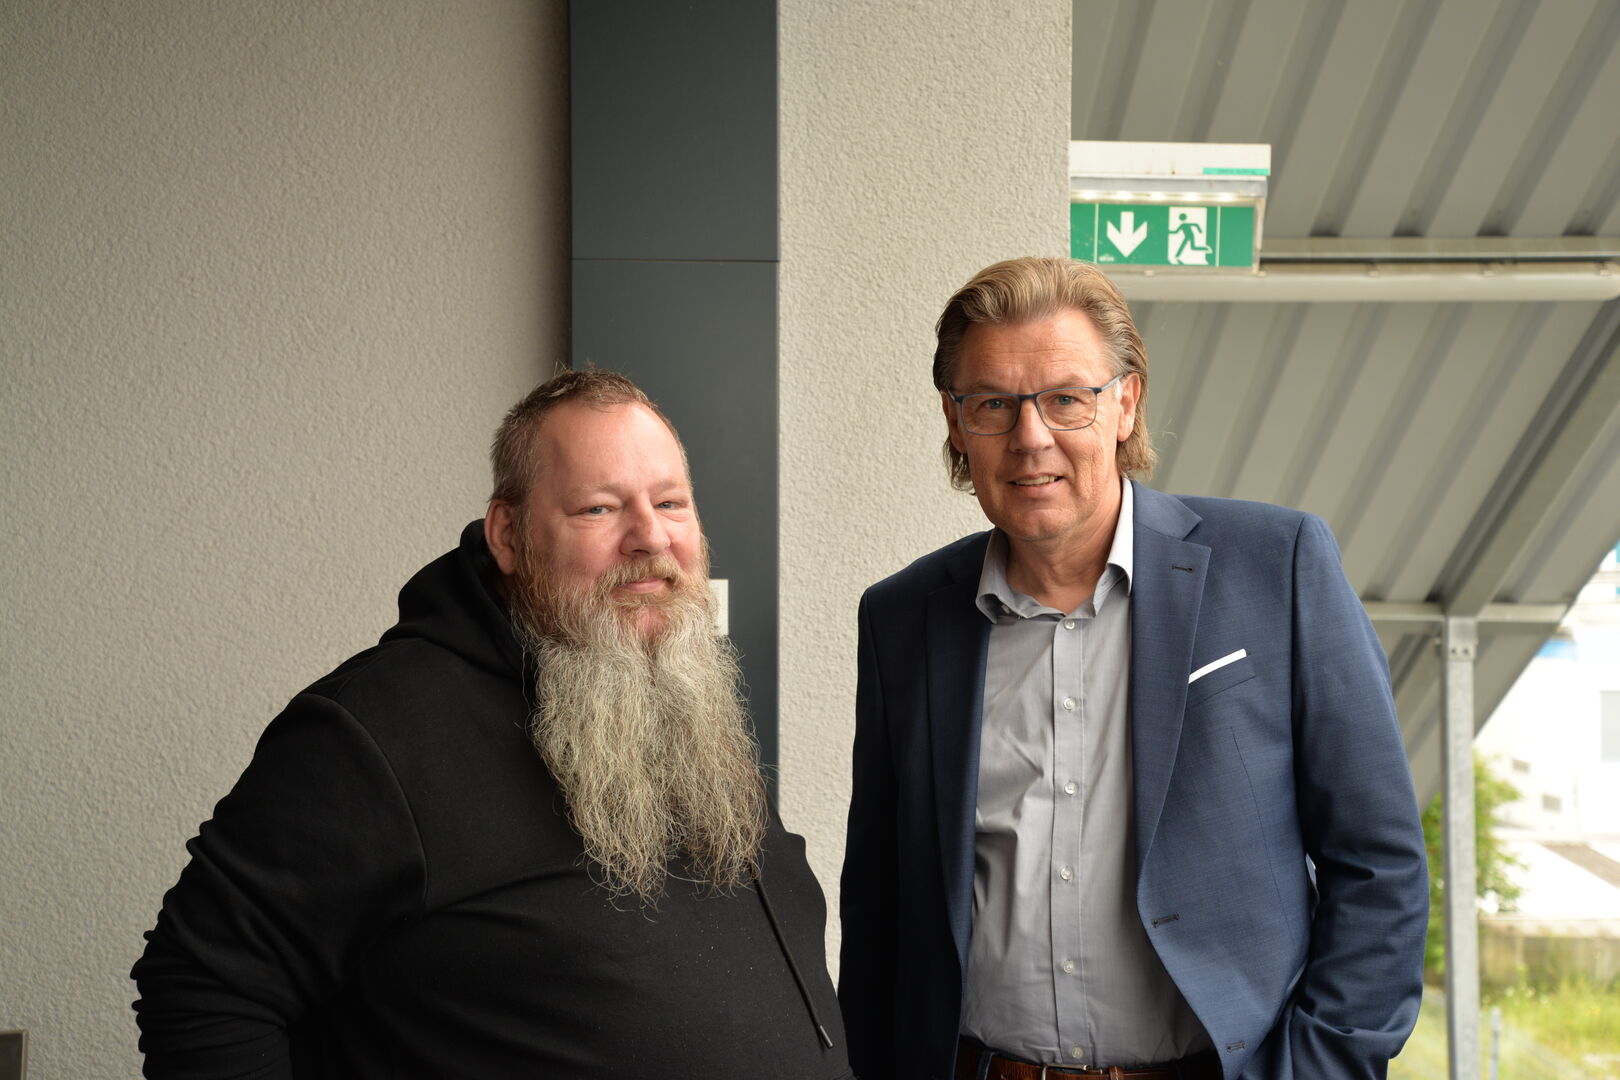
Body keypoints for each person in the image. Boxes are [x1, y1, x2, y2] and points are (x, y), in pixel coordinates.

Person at [133, 370, 850, 1079]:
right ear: (507, 535)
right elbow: (202, 986)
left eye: (671, 503)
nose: (649, 538)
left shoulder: (681, 699)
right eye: (600, 509)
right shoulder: (372, 734)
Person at [838, 257, 1428, 1080]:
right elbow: (880, 906)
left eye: (1065, 398)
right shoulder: (902, 618)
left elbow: (1380, 866)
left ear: (1125, 401)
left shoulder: (1276, 566)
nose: (1030, 437)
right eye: (994, 405)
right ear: (955, 421)